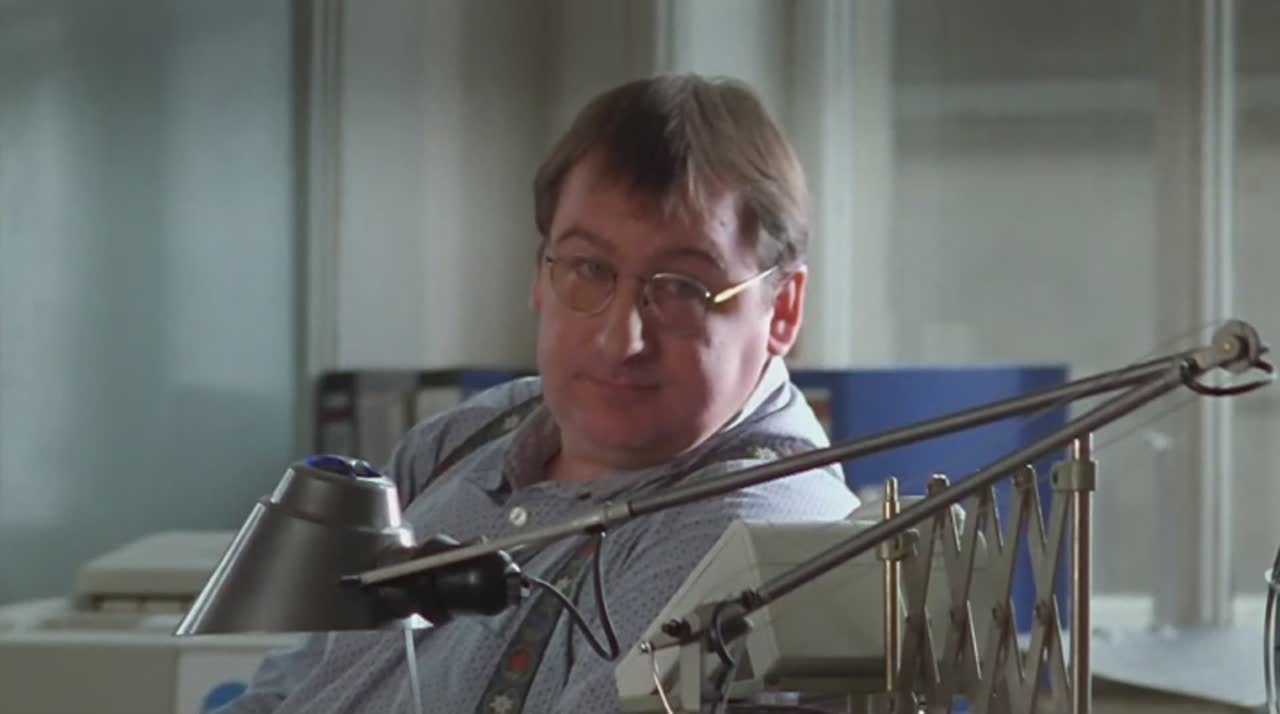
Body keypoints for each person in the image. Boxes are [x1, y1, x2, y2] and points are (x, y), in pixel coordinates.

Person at [220, 72, 860, 714]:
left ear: (783, 309)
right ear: (540, 273)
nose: (619, 337)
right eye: (588, 269)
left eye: (682, 289)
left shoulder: (753, 541)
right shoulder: (466, 437)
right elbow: (295, 684)